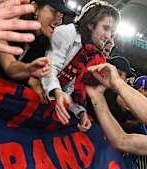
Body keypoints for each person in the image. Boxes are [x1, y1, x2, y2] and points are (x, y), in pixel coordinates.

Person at [41, 0, 120, 131]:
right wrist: (57, 91)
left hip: (49, 98)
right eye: (105, 28)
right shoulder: (66, 33)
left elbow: (70, 88)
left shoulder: (89, 52)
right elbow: (50, 67)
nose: (109, 36)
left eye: (111, 31)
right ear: (90, 24)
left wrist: (81, 112)